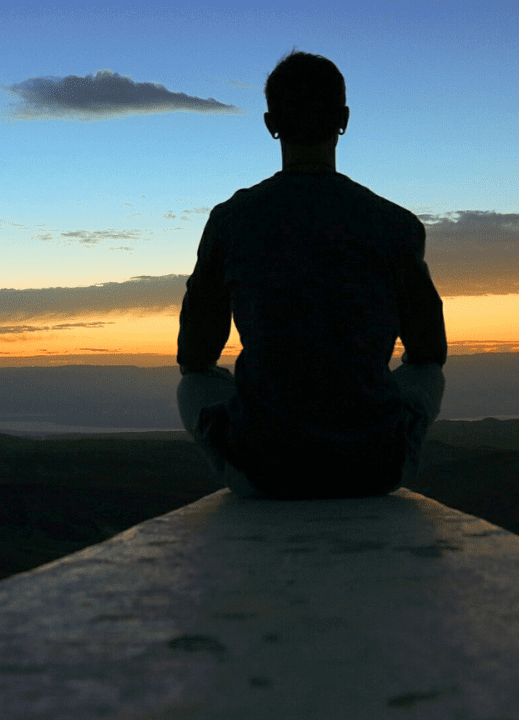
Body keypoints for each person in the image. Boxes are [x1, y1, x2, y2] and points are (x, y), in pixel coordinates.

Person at [176, 50, 446, 500]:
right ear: (343, 119)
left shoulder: (232, 220)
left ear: (270, 124)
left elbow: (194, 356)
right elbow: (429, 351)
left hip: (263, 470)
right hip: (375, 468)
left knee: (195, 385)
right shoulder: (395, 224)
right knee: (424, 374)